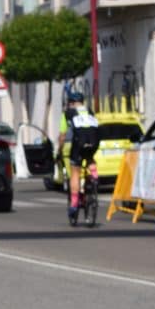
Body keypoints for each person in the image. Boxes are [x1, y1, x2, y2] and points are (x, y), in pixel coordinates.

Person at [59, 89, 101, 222]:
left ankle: (74, 203)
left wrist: (59, 150)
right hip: (94, 142)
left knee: (75, 172)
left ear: (71, 103)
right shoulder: (90, 111)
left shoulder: (67, 114)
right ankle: (94, 174)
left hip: (79, 143)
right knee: (89, 157)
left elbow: (62, 135)